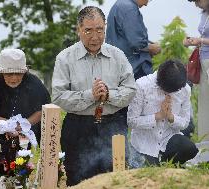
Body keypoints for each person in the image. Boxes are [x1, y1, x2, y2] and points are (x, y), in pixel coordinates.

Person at [52, 6, 137, 186]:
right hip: (78, 127)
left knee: (114, 179)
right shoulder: (64, 58)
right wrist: (90, 95)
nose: (95, 36)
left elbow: (131, 90)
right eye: (88, 30)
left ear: (105, 27)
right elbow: (58, 97)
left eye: (100, 30)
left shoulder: (118, 56)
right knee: (78, 180)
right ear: (79, 30)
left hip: (113, 124)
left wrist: (109, 95)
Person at [127, 60, 198, 166]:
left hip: (168, 138)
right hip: (145, 143)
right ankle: (159, 165)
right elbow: (131, 121)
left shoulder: (184, 89)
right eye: (166, 90)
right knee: (149, 172)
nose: (170, 93)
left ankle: (167, 165)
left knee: (189, 149)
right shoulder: (142, 85)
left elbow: (185, 123)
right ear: (160, 82)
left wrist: (171, 117)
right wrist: (158, 116)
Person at [0, 49, 50, 173]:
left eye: (18, 73)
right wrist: (6, 124)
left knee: (21, 167)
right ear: (1, 72)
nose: (14, 78)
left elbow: (42, 110)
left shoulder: (34, 83)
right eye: (9, 74)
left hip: (26, 130)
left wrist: (23, 125)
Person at [106, 0, 161, 80]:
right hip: (134, 69)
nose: (146, 4)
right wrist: (152, 48)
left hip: (118, 68)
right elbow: (137, 43)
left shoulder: (119, 4)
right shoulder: (130, 9)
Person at [184, 0, 209, 141]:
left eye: (197, 0)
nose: (196, 4)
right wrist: (191, 42)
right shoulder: (204, 13)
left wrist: (201, 41)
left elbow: (204, 39)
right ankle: (206, 145)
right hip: (203, 61)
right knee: (204, 105)